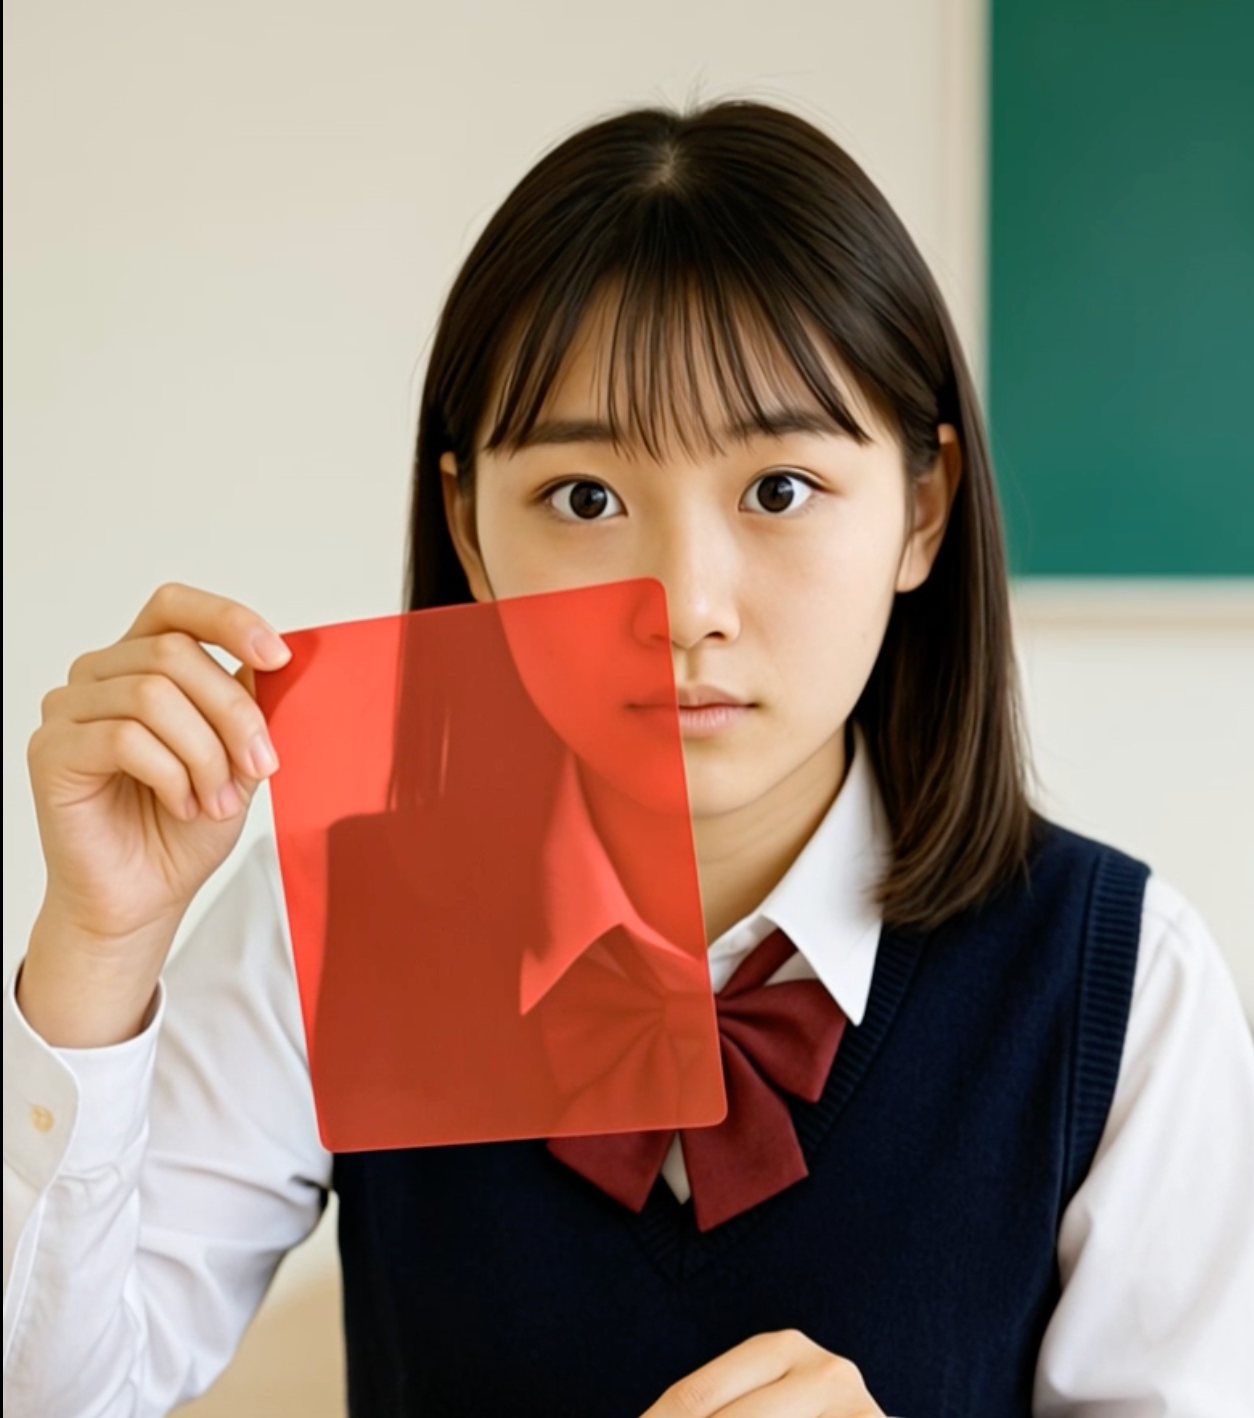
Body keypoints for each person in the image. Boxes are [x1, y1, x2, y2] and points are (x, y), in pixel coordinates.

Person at [4, 101, 1252, 1418]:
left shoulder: (1123, 982)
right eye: (584, 498)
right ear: (469, 532)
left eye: (777, 489)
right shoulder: (345, 913)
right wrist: (101, 942)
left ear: (921, 506)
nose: (684, 601)